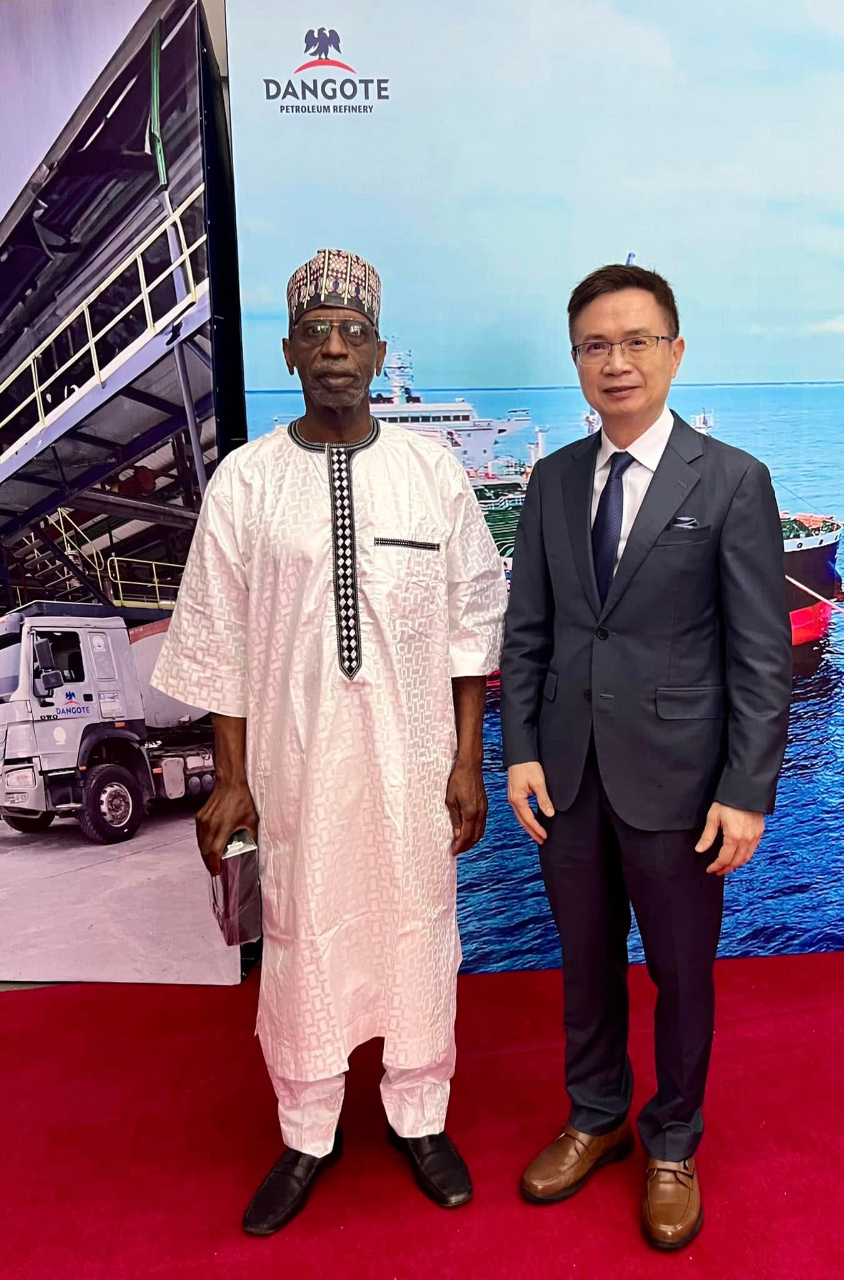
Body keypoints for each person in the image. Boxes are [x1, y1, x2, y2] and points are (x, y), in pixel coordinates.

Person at [152, 249, 507, 1234]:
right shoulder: (247, 482)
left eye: (354, 333)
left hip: (412, 766)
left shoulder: (431, 476)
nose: (337, 350)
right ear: (288, 352)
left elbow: (472, 629)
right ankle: (308, 1132)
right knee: (303, 939)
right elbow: (219, 639)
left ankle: (419, 1117)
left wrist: (467, 763)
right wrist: (230, 779)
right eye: (317, 333)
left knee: (417, 930)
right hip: (295, 769)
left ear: (380, 351)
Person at [500, 264, 791, 1250]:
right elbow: (529, 632)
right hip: (567, 777)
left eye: (635, 341)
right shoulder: (551, 482)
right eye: (595, 345)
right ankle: (595, 1116)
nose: (615, 361)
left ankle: (672, 1140)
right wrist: (521, 752)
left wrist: (746, 791)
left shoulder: (732, 480)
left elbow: (760, 653)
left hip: (679, 780)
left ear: (674, 351)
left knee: (680, 972)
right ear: (576, 360)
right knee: (584, 965)